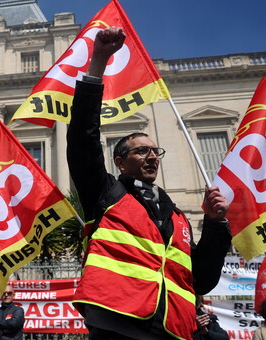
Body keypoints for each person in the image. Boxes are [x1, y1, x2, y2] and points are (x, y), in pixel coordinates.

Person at [67, 27, 232, 340]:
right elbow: (81, 140)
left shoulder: (177, 216)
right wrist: (98, 63)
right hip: (118, 322)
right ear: (120, 162)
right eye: (142, 150)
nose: (153, 157)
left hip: (174, 329)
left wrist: (215, 224)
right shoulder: (107, 193)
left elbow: (202, 280)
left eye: (157, 151)